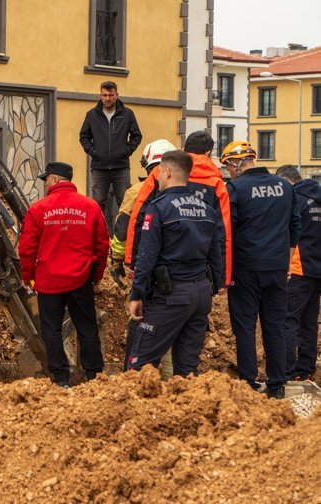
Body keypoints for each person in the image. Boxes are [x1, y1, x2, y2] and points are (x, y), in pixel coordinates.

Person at [126, 150, 221, 376]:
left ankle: (138, 411)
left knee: (139, 366)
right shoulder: (205, 208)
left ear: (167, 172)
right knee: (187, 368)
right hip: (200, 294)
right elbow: (215, 254)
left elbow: (146, 258)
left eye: (159, 174)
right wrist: (212, 288)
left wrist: (136, 295)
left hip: (171, 295)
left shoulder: (159, 207)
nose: (157, 178)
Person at [18, 161, 109, 387]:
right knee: (87, 327)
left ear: (56, 180)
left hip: (49, 281)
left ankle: (61, 378)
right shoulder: (90, 207)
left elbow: (27, 248)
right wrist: (96, 275)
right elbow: (102, 245)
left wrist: (27, 276)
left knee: (51, 330)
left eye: (46, 179)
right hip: (80, 279)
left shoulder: (38, 209)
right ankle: (94, 375)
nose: (45, 183)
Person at [222, 141, 301, 398]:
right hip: (277, 268)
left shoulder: (235, 188)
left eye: (228, 166)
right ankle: (277, 385)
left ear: (236, 163)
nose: (228, 171)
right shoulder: (285, 187)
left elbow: (227, 230)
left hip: (245, 269)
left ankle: (249, 382)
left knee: (245, 326)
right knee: (275, 326)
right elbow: (295, 227)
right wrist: (286, 262)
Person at [125, 131, 232, 288]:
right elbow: (223, 232)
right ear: (208, 153)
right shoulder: (216, 184)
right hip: (199, 269)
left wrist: (131, 259)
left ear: (184, 148)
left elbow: (139, 215)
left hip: (161, 265)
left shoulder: (160, 173)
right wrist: (222, 277)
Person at [110, 139, 176, 377]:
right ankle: (171, 380)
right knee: (170, 325)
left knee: (139, 320)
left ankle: (135, 375)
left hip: (143, 269)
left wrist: (117, 260)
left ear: (147, 163)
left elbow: (121, 230)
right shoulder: (186, 189)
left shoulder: (136, 192)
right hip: (177, 274)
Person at [275, 165, 321, 381]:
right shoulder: (317, 198)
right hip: (317, 271)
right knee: (310, 321)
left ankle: (287, 371)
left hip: (298, 269)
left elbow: (286, 231)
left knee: (289, 320)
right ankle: (305, 369)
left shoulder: (296, 201)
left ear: (288, 182)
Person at [79, 80, 143, 225]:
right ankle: (99, 236)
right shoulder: (92, 115)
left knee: (125, 203)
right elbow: (84, 136)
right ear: (100, 95)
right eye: (104, 95)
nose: (107, 98)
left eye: (111, 95)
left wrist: (125, 151)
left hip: (121, 167)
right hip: (99, 167)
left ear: (116, 95)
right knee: (98, 204)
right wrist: (93, 152)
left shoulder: (127, 114)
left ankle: (123, 237)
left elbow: (137, 136)